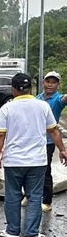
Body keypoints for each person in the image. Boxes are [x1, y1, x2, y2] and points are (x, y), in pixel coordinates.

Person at [0, 71, 67, 237]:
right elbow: (53, 131)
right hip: (37, 161)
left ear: (13, 90)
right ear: (31, 88)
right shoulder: (42, 106)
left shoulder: (7, 108)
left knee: (12, 195)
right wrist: (62, 150)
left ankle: (12, 230)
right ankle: (31, 233)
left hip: (13, 161)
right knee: (34, 196)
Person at [36, 70, 67, 211]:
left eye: (54, 82)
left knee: (45, 169)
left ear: (58, 85)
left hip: (48, 141)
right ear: (43, 82)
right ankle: (30, 196)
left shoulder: (58, 100)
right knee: (30, 169)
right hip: (34, 139)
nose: (50, 85)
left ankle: (47, 201)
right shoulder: (37, 98)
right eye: (48, 81)